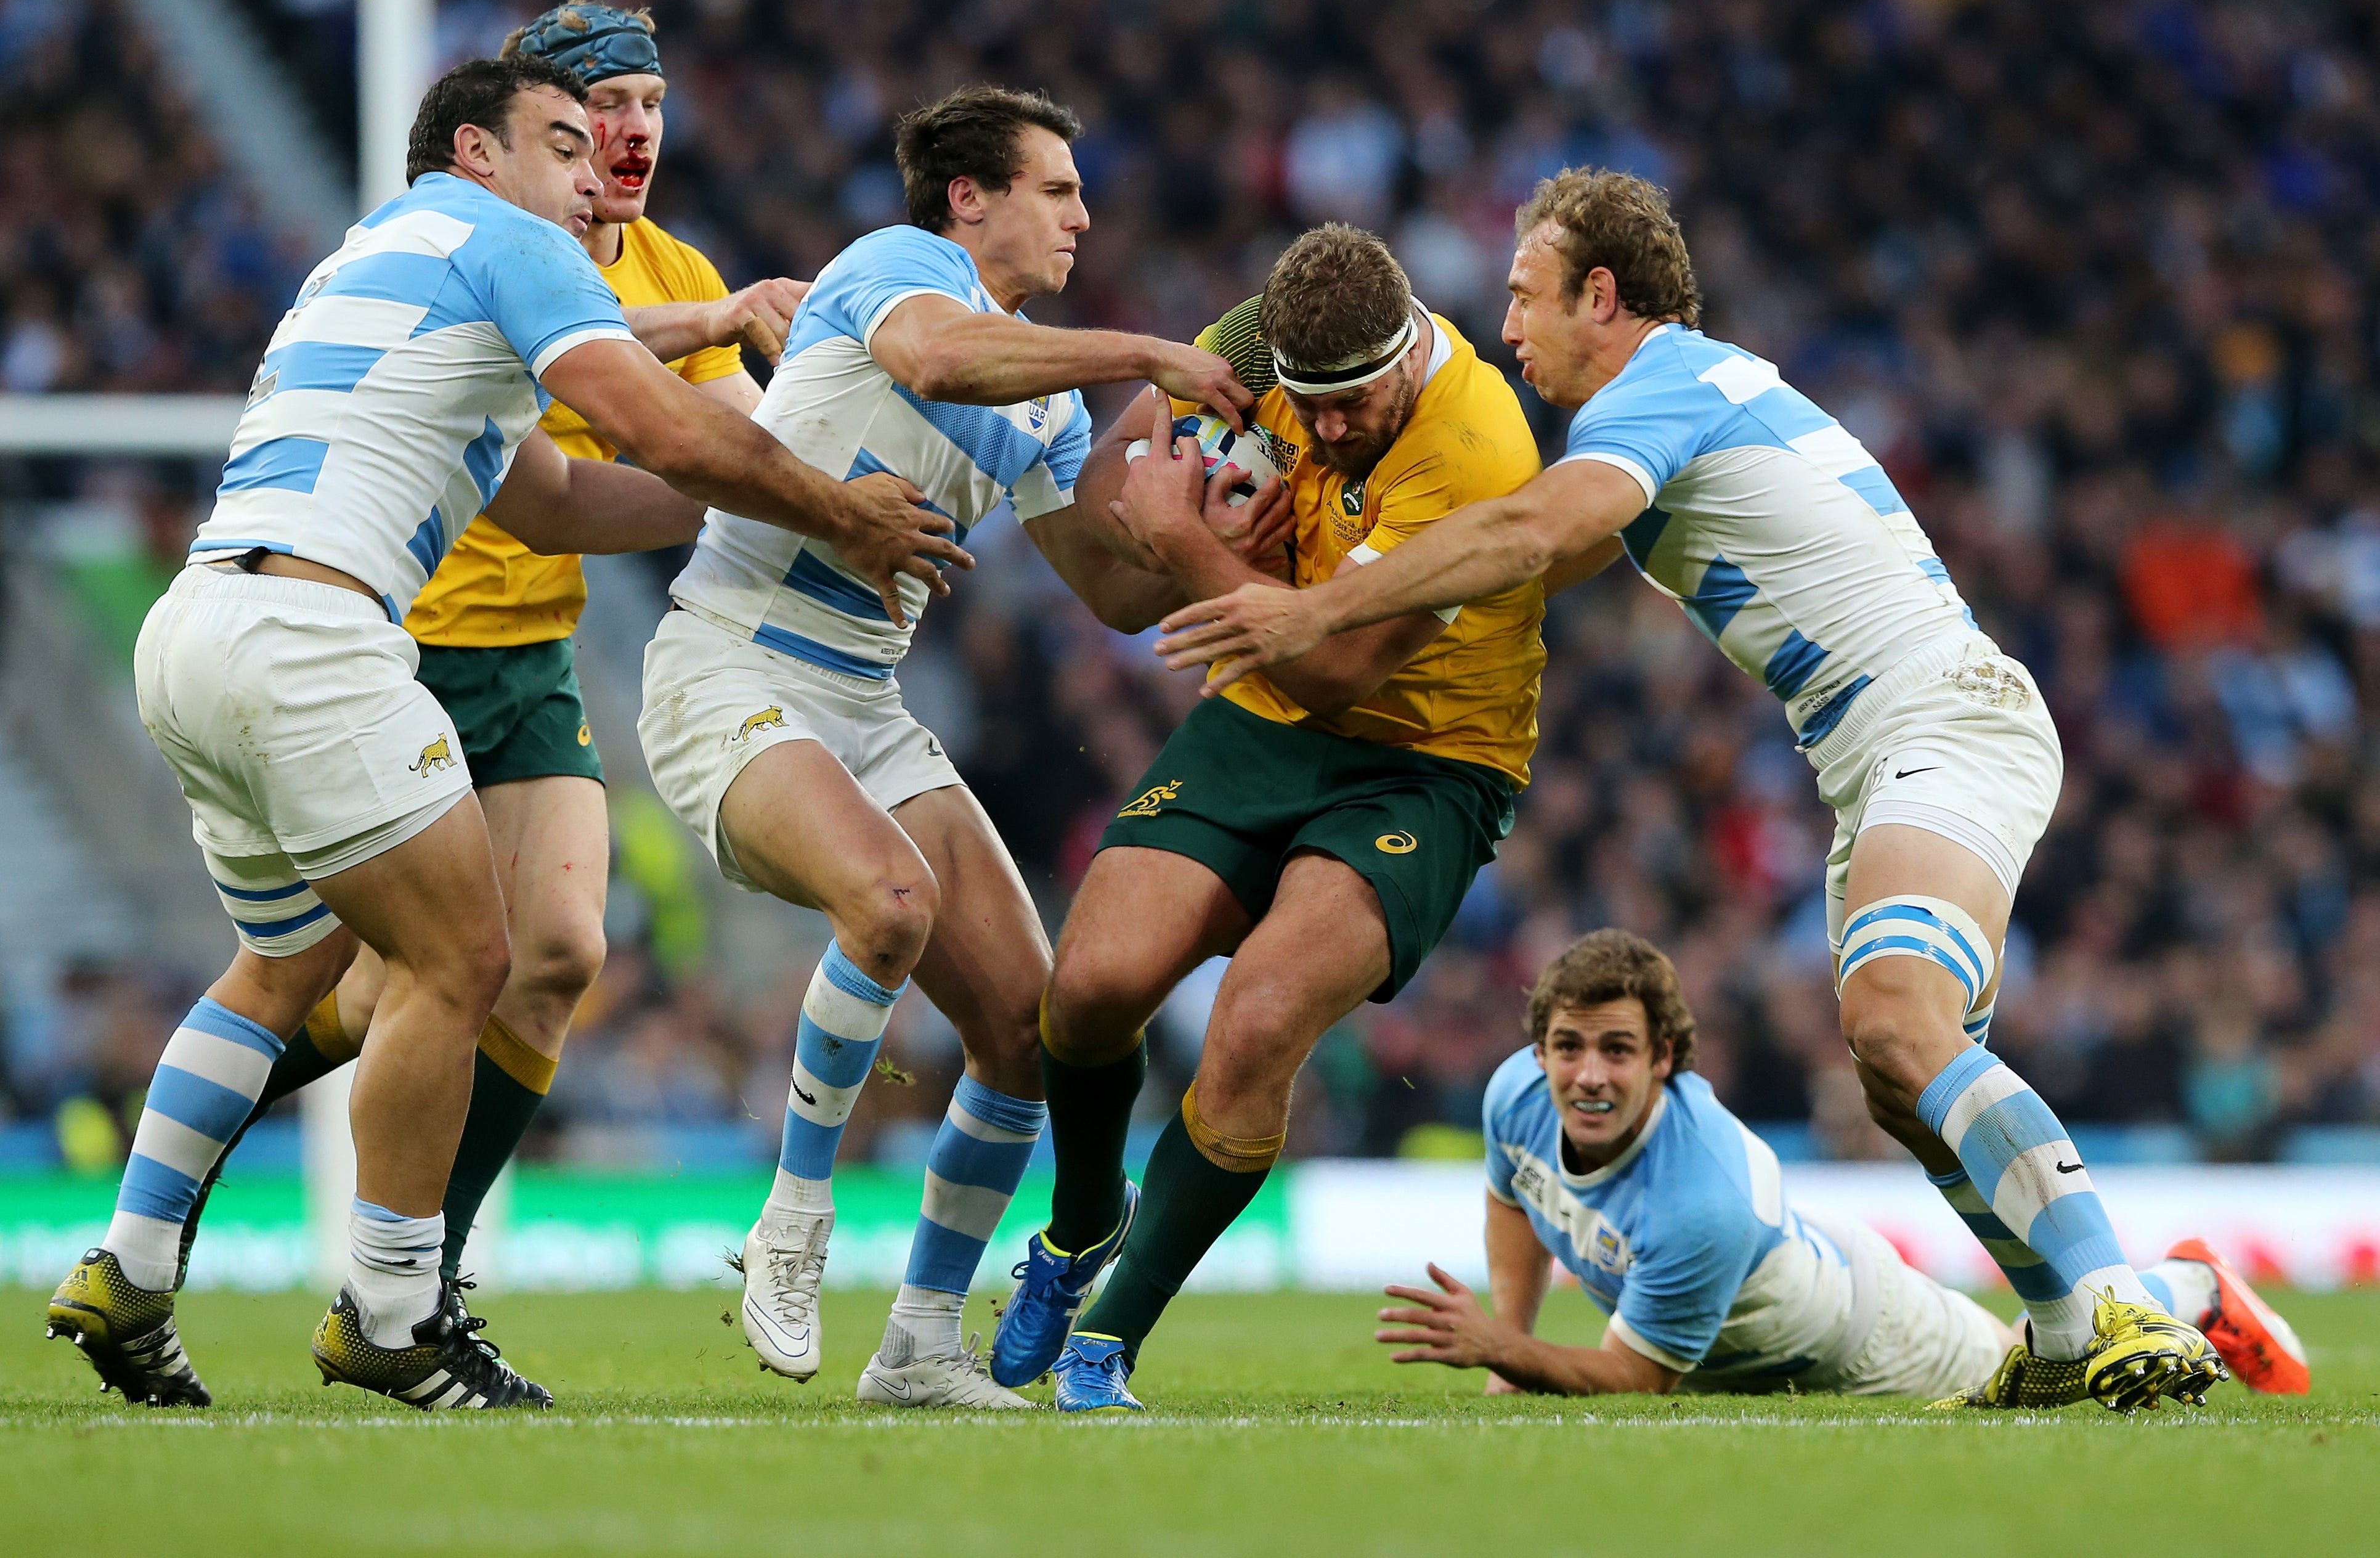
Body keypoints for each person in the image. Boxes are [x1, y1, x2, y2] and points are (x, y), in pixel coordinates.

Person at [1152, 169, 2227, 1411]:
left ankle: (2120, 1306)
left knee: (1894, 1014)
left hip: (1943, 713)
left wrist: (1315, 607)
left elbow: (1533, 536)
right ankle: (2082, 1321)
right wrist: (1312, 546)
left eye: (1525, 296)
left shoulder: (1656, 391)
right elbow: (1505, 567)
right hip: (1873, 751)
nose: (1506, 328)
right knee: (1900, 1068)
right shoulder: (1675, 408)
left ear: (1599, 295)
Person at [44, 55, 963, 1412]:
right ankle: (396, 1316)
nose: (594, 171)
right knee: (467, 955)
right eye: (560, 143)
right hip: (314, 636)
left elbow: (553, 504)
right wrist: (837, 504)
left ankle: (128, 1269)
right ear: (474, 149)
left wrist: (747, 502)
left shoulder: (385, 252)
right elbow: (659, 426)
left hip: (198, 629)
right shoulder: (506, 240)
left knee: (286, 968)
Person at [164, 0, 811, 1352]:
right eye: (593, 115)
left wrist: (806, 481)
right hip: (398, 631)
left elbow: (713, 448)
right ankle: (202, 1226)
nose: (624, 139)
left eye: (646, 105)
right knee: (381, 978)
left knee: (557, 953)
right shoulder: (516, 242)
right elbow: (645, 418)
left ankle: (416, 1276)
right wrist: (812, 477)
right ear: (513, 139)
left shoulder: (671, 261)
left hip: (527, 644)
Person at [636, 83, 1270, 1409]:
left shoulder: (1040, 405)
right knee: (889, 902)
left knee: (1030, 1034)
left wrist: (1206, 530)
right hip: (729, 665)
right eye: (1058, 189)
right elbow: (938, 362)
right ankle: (792, 1223)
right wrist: (1143, 352)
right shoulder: (894, 269)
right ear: (969, 198)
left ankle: (920, 1343)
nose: (1083, 217)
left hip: (866, 706)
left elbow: (1105, 591)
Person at [991, 224, 1595, 1414]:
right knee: (1090, 989)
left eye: (1351, 405)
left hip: (1426, 761)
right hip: (1259, 721)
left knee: (1259, 1018)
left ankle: (1109, 1340)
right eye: (1305, 408)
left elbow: (1341, 666)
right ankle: (1077, 1230)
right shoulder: (1251, 340)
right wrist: (1184, 528)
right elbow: (1125, 477)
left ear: (1408, 349)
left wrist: (1188, 549)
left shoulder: (1473, 449)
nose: (1323, 430)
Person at [1375, 929, 2310, 1402]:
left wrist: (1504, 1350)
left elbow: (1635, 1385)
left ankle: (2190, 1288)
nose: (1587, 1073)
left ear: (1666, 1058)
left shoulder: (1697, 1200)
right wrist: (1511, 1337)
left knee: (2051, 1375)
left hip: (1863, 1335)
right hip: (1763, 1313)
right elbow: (1516, 1200)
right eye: (1568, 1046)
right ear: (1538, 1048)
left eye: (1617, 1050)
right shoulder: (1514, 1095)